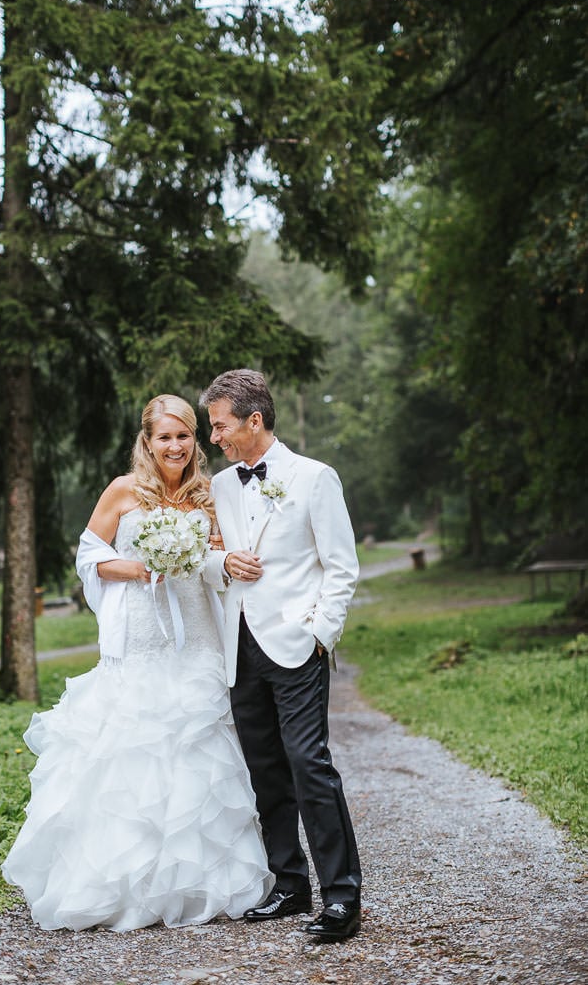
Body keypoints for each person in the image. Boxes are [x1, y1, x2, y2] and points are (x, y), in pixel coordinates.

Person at [1, 394, 272, 932]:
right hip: (140, 637)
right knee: (132, 752)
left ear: (196, 440)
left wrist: (212, 561)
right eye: (164, 437)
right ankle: (123, 883)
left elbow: (217, 559)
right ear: (147, 442)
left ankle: (202, 881)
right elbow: (87, 556)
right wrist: (143, 568)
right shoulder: (125, 490)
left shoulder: (209, 494)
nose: (175, 446)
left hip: (195, 638)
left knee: (197, 746)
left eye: (184, 436)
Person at [200, 369, 362, 943]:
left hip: (296, 645)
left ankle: (342, 897)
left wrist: (321, 633)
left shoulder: (315, 478)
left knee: (308, 764)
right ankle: (290, 885)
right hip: (239, 646)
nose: (213, 437)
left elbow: (342, 567)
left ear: (254, 420)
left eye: (220, 426)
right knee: (264, 770)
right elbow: (208, 562)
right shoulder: (220, 487)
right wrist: (222, 565)